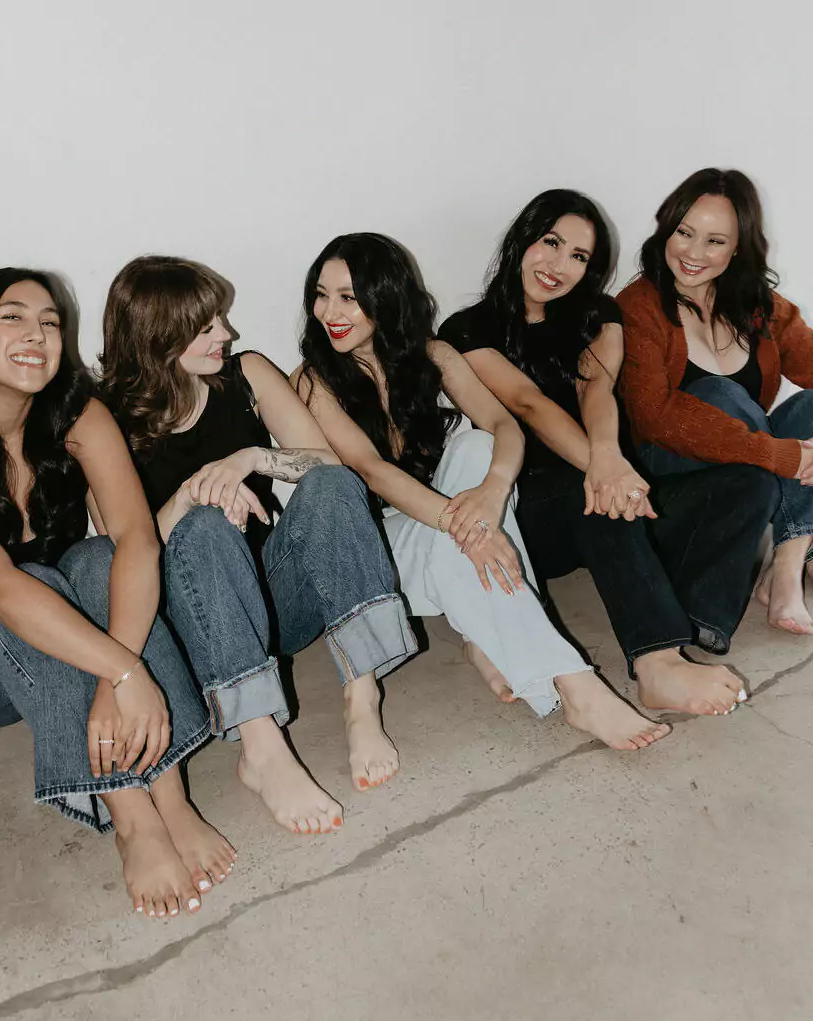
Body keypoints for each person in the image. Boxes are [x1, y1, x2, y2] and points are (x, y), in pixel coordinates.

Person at [0, 268, 234, 921]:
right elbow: (3, 589)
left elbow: (138, 540)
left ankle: (173, 800)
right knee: (36, 583)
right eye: (12, 318)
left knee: (99, 557)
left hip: (70, 641)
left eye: (50, 322)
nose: (37, 335)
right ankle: (132, 818)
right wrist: (126, 671)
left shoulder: (80, 415)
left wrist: (111, 677)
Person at [293, 232, 670, 750]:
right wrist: (469, 524)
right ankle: (574, 684)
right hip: (385, 556)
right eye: (321, 294)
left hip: (449, 539)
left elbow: (505, 424)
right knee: (466, 525)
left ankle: (488, 638)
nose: (329, 312)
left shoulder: (435, 355)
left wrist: (491, 495)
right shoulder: (314, 380)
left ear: (386, 299)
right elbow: (371, 470)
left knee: (476, 447)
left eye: (347, 297)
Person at [98, 256, 417, 835]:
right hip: (198, 631)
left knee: (330, 485)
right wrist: (193, 496)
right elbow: (120, 553)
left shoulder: (247, 375)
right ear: (157, 337)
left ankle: (362, 696)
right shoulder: (104, 423)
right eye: (206, 327)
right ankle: (261, 747)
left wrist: (250, 459)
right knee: (204, 526)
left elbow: (332, 465)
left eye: (220, 319)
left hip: (277, 603)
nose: (227, 333)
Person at [438, 189, 762, 717]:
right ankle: (657, 662)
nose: (558, 266)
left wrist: (610, 460)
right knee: (585, 488)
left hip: (607, 491)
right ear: (523, 240)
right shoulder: (465, 330)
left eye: (578, 256)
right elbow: (529, 404)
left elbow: (596, 388)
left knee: (748, 483)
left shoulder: (598, 314)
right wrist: (601, 470)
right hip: (531, 517)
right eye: (551, 243)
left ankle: (696, 617)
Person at [618, 168, 812, 635]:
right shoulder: (638, 306)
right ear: (666, 228)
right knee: (721, 394)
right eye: (684, 233)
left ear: (738, 247)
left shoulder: (759, 304)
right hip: (666, 468)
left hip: (745, 465)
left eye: (714, 241)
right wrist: (779, 454)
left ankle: (786, 566)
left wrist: (779, 453)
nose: (692, 253)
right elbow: (655, 415)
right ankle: (790, 562)